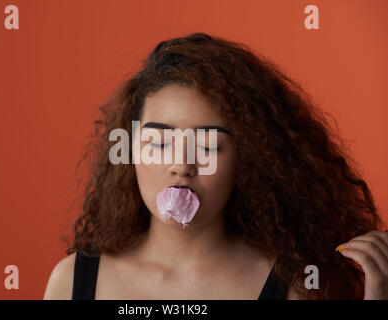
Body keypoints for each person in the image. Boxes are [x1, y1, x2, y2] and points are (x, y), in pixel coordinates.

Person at [43, 32, 388, 300]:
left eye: (207, 145)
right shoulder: (72, 281)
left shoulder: (294, 286)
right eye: (158, 143)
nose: (181, 165)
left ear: (246, 159)